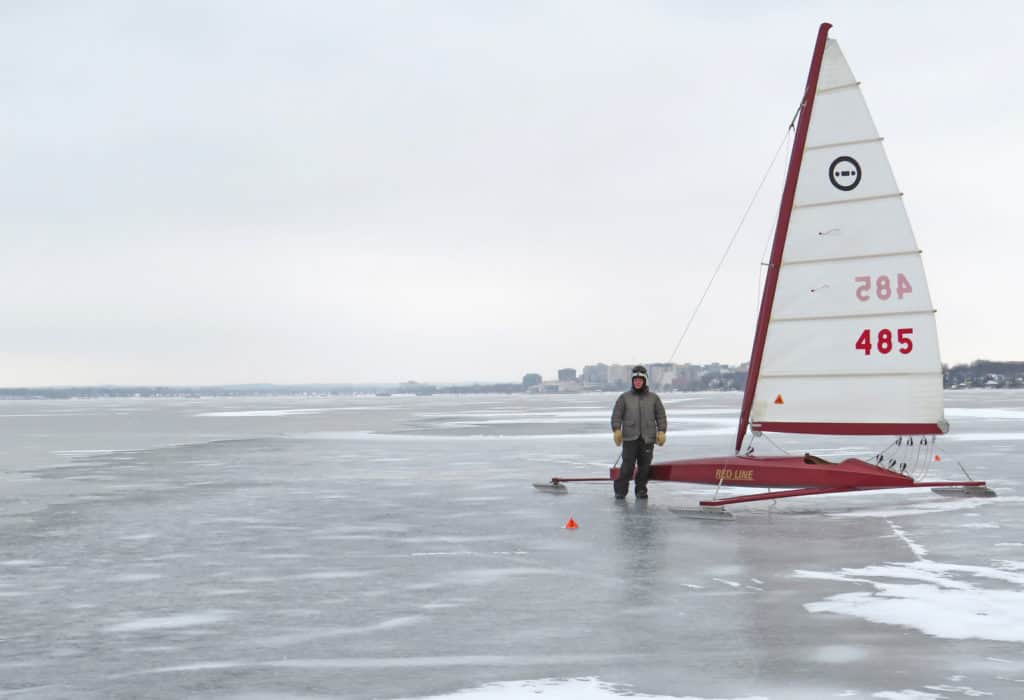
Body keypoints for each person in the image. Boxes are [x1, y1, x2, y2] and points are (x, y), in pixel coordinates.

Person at [611, 365, 667, 500]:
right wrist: (617, 430)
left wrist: (662, 431)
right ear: (632, 382)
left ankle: (641, 490)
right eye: (635, 380)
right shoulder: (624, 398)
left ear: (645, 381)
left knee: (644, 468)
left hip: (647, 439)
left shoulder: (654, 398)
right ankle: (620, 491)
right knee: (627, 467)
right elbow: (616, 415)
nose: (637, 382)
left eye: (640, 380)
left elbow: (661, 416)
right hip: (630, 438)